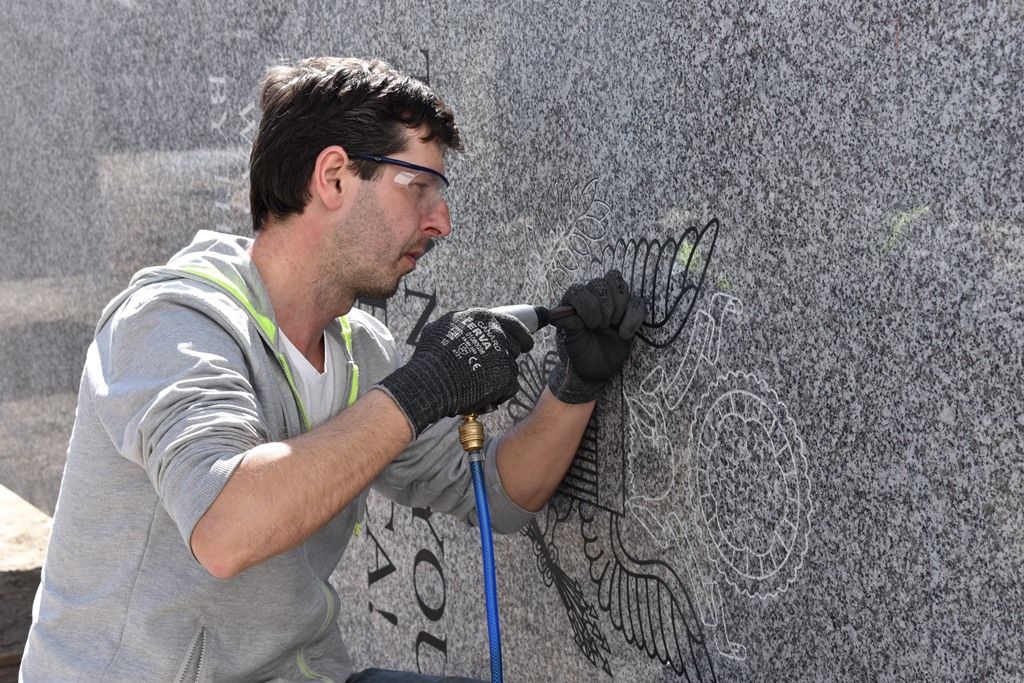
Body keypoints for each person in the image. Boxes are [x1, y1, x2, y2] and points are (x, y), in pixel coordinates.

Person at [20, 57, 645, 682]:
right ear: (334, 178)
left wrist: (576, 384)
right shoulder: (169, 324)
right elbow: (225, 530)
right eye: (419, 188)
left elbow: (500, 496)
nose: (441, 222)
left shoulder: (360, 352)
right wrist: (422, 390)